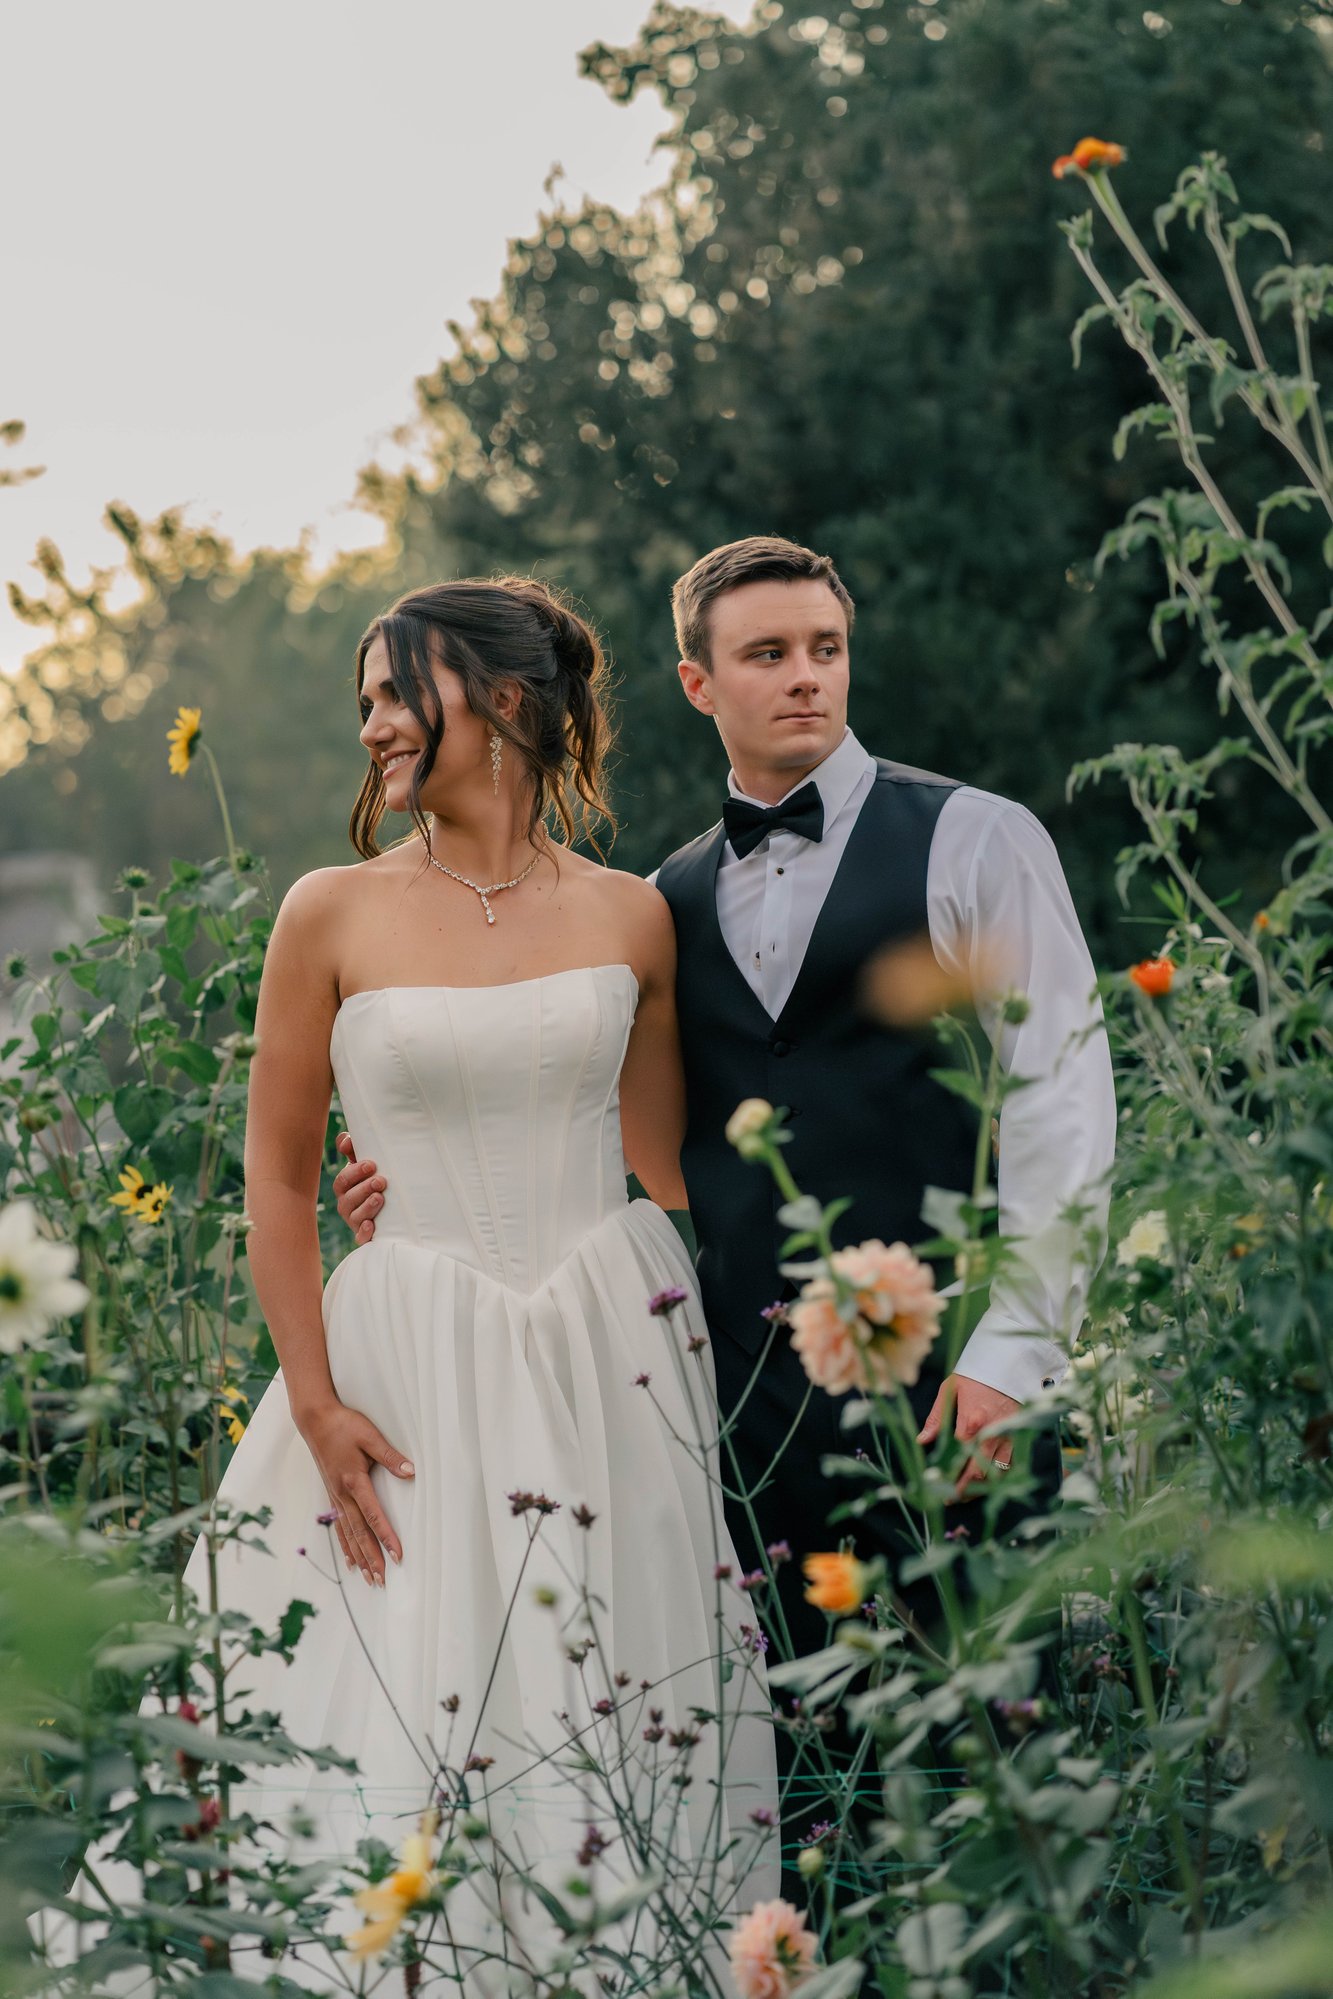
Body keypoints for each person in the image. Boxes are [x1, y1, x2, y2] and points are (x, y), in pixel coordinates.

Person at [334, 540, 1116, 1880]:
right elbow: (636, 1135)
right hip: (746, 1412)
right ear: (699, 682)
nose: (804, 678)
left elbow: (1063, 1104)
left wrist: (1012, 1354)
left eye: (824, 648)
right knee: (801, 1784)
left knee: (1001, 1767)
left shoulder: (977, 837)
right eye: (767, 655)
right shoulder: (658, 903)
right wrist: (427, 1176)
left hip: (960, 1389)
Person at [48, 578, 777, 1994]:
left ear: (504, 700)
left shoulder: (633, 919)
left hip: (605, 1350)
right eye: (364, 698)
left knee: (621, 1685)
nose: (374, 722)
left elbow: (662, 1161)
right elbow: (274, 1179)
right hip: (404, 1360)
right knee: (408, 1700)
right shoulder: (329, 913)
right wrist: (316, 1407)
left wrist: (754, 1336)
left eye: (396, 690)